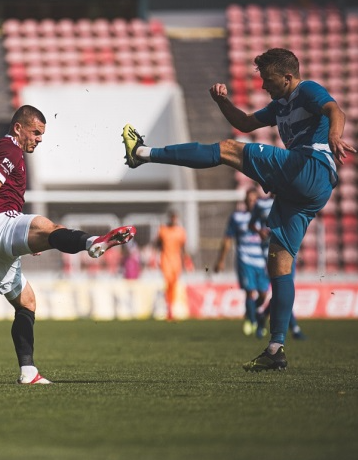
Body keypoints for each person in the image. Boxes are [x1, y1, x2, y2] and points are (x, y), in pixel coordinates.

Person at [121, 48, 355, 372]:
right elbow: (245, 122)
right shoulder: (281, 105)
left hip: (310, 167)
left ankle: (143, 153)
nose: (263, 87)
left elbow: (334, 109)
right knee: (279, 261)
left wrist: (334, 134)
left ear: (287, 77)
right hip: (311, 189)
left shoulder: (306, 90)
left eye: (268, 80)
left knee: (227, 150)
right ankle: (276, 348)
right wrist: (223, 103)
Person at [0, 105, 136, 384]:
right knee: (49, 227)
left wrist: (20, 240)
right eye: (36, 133)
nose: (39, 139)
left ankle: (28, 372)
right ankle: (93, 243)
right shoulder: (7, 148)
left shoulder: (12, 154)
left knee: (27, 302)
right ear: (18, 128)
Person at [249, 190, 306, 340]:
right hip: (269, 250)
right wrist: (259, 231)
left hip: (287, 250)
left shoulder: (289, 201)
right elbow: (251, 224)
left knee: (283, 288)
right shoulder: (261, 203)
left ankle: (263, 315)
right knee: (281, 286)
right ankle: (294, 328)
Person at [213, 188, 269, 336]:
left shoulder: (265, 217)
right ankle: (254, 322)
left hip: (262, 261)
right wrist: (221, 260)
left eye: (254, 200)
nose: (251, 203)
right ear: (244, 202)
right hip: (245, 260)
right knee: (250, 292)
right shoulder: (237, 217)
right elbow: (227, 239)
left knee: (263, 294)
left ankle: (251, 314)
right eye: (249, 200)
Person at [156, 210, 189, 321]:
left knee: (174, 284)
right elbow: (158, 244)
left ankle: (171, 308)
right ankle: (169, 309)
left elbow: (183, 247)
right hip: (165, 260)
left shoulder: (181, 232)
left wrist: (187, 260)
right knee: (168, 283)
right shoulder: (163, 230)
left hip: (177, 261)